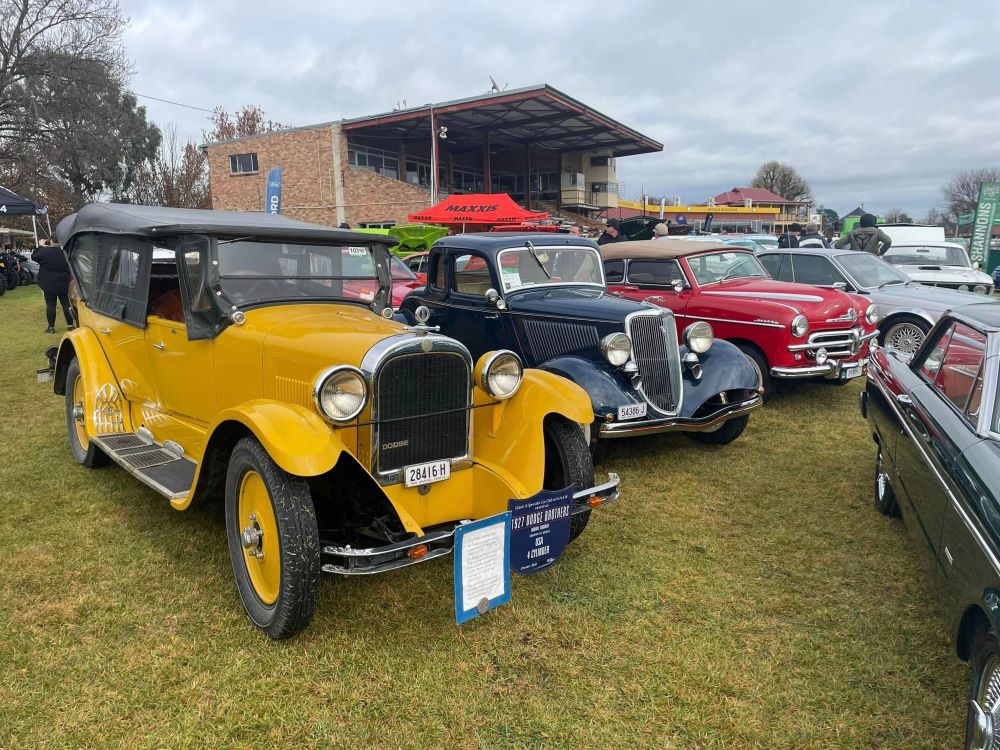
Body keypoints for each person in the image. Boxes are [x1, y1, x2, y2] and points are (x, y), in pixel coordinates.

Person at [32, 239, 74, 333]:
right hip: (63, 282)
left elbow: (34, 256)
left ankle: (51, 328)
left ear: (50, 240)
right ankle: (70, 326)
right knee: (66, 304)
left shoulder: (44, 251)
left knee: (50, 305)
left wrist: (41, 246)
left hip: (48, 282)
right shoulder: (66, 251)